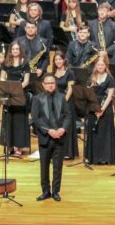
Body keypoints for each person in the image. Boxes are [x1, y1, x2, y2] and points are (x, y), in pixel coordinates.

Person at [32, 73, 71, 202]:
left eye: (52, 83)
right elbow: (36, 118)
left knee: (58, 167)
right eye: (47, 83)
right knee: (44, 166)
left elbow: (68, 116)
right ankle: (46, 191)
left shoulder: (62, 97)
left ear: (55, 84)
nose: (50, 85)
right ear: (43, 85)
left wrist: (63, 128)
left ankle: (55, 191)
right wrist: (48, 131)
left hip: (60, 137)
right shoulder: (37, 98)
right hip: (45, 137)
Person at [0, 41, 30, 156]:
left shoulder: (25, 63)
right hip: (8, 94)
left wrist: (16, 89)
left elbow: (26, 81)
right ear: (10, 51)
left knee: (19, 121)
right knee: (8, 119)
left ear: (20, 50)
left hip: (20, 94)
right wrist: (7, 87)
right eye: (13, 49)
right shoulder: (5, 63)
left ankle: (19, 147)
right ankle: (9, 145)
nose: (15, 51)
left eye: (17, 49)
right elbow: (2, 78)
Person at [86, 54, 115, 165]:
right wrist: (94, 107)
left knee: (104, 132)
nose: (100, 66)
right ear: (95, 66)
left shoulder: (110, 78)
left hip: (105, 107)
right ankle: (93, 157)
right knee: (94, 132)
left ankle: (104, 157)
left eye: (102, 64)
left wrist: (102, 109)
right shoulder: (91, 77)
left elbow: (110, 95)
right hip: (93, 106)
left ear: (105, 66)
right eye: (98, 64)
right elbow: (87, 92)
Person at [52, 53, 77, 159]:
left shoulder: (69, 72)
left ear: (64, 60)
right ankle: (57, 151)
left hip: (67, 102)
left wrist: (63, 102)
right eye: (56, 59)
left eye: (60, 59)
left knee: (66, 126)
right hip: (55, 101)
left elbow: (70, 89)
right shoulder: (53, 73)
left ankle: (68, 152)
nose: (58, 61)